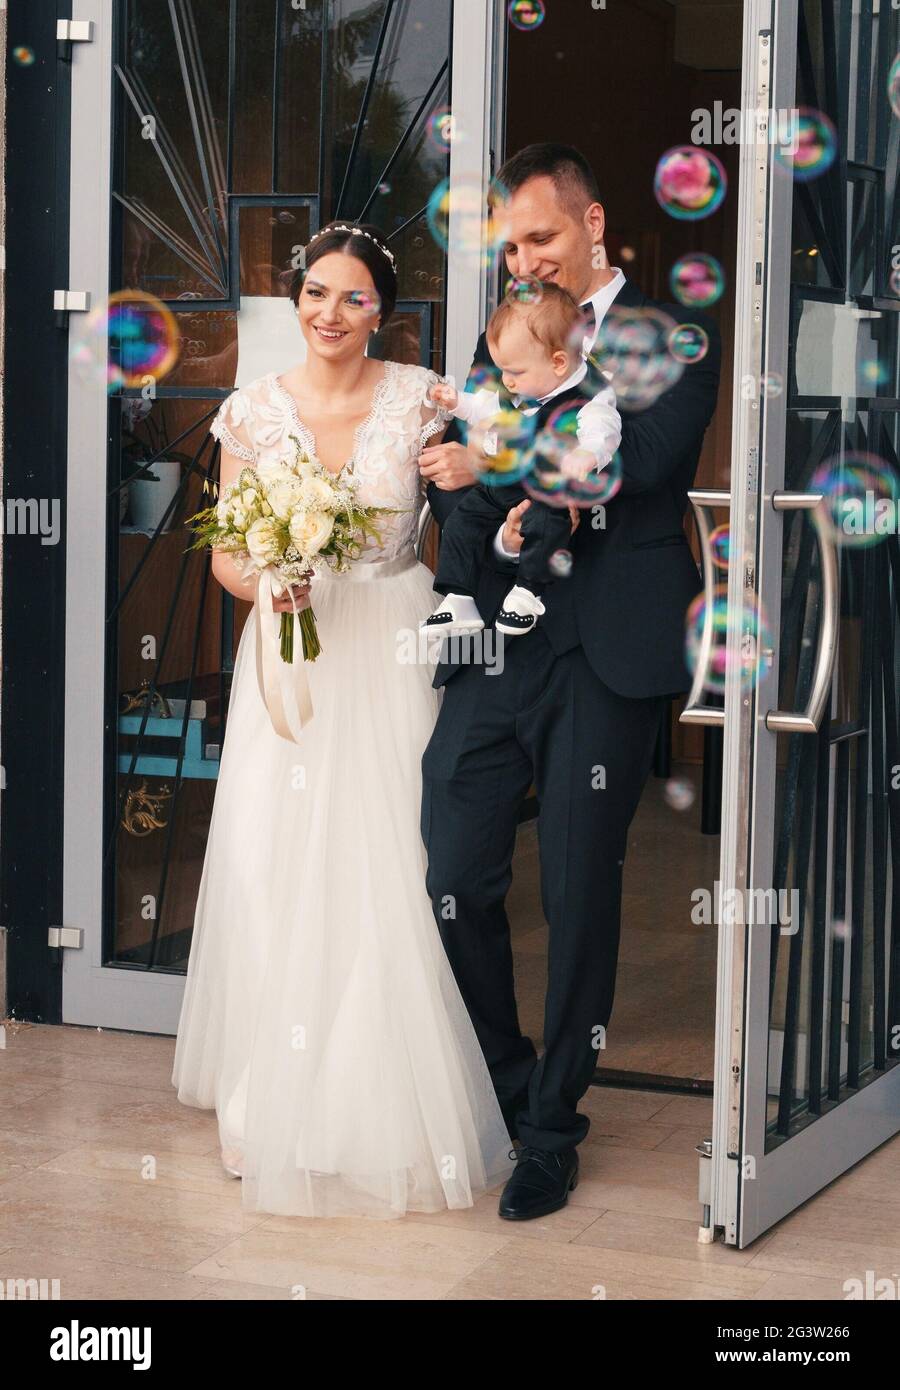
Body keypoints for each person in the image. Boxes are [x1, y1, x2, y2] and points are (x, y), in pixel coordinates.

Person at [171, 220, 516, 1219]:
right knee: (274, 861)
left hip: (393, 639)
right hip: (290, 648)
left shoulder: (419, 396)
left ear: (383, 311)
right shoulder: (250, 411)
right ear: (296, 297)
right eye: (317, 292)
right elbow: (228, 551)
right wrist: (267, 579)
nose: (331, 312)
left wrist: (475, 469)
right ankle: (270, 1092)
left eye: (353, 297)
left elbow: (505, 453)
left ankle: (379, 1101)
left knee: (392, 862)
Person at [418, 144, 721, 1221]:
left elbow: (639, 463)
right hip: (503, 637)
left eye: (540, 239)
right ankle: (508, 1088)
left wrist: (492, 461)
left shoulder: (667, 337)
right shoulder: (506, 333)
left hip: (610, 646)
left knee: (582, 890)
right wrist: (467, 551)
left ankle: (551, 1130)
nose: (525, 262)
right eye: (509, 247)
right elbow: (464, 479)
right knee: (453, 867)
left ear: (593, 227)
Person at [420, 282, 621, 637]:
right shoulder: (518, 387)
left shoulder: (589, 395)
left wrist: (588, 454)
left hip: (547, 487)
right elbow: (482, 405)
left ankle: (528, 592)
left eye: (515, 373)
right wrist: (456, 401)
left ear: (558, 362)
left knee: (547, 523)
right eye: (503, 371)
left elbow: (603, 429)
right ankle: (458, 597)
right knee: (462, 522)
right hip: (503, 485)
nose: (507, 381)